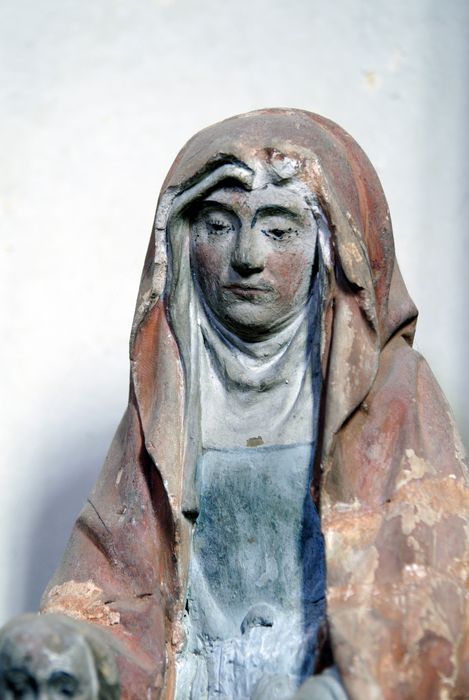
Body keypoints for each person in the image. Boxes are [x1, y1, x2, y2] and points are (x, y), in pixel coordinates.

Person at [0, 109, 467, 700]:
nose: (246, 255)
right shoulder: (170, 401)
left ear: (332, 249)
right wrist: (70, 646)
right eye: (219, 225)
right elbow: (118, 593)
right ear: (181, 238)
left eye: (279, 230)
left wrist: (337, 690)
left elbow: (429, 594)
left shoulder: (392, 395)